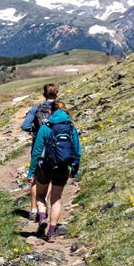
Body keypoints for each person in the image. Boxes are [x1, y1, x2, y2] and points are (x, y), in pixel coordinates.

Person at [26, 100, 82, 242]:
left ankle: (42, 217)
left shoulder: (45, 128)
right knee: (56, 199)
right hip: (63, 167)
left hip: (45, 167)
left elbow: (37, 152)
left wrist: (31, 172)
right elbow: (77, 151)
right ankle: (51, 233)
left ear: (51, 112)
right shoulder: (71, 128)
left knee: (40, 196)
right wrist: (74, 170)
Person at [20, 83, 59, 221]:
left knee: (36, 177)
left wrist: (35, 131)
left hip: (38, 145)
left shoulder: (36, 109)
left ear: (44, 94)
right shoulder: (59, 109)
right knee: (50, 177)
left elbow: (24, 126)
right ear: (57, 93)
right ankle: (44, 206)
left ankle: (33, 209)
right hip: (55, 147)